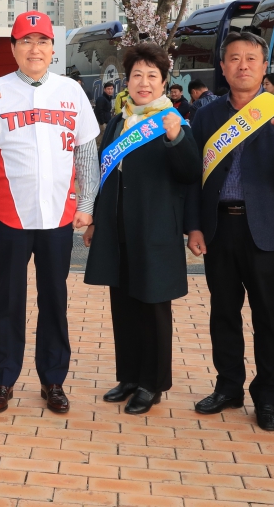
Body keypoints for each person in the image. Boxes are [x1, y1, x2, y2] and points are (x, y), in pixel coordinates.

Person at [0, 11, 100, 414]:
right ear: (13, 48)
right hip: (10, 215)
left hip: (59, 218)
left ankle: (53, 380)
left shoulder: (71, 91)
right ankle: (2, 381)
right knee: (8, 300)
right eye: (25, 41)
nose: (34, 48)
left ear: (52, 48)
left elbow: (86, 153)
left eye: (42, 41)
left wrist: (87, 206)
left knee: (54, 299)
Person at [185, 32, 274, 431]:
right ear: (222, 67)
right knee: (223, 313)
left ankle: (267, 397)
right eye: (234, 58)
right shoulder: (205, 114)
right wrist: (194, 226)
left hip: (266, 232)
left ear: (263, 66)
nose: (242, 65)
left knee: (266, 317)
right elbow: (194, 179)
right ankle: (228, 387)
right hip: (220, 227)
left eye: (251, 59)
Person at [83, 43, 199, 415]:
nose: (143, 83)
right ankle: (129, 376)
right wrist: (98, 221)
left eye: (152, 76)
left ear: (165, 82)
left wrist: (175, 139)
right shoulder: (119, 119)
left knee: (152, 307)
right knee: (123, 305)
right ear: (127, 82)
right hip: (118, 227)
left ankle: (153, 383)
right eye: (137, 76)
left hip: (154, 230)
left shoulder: (172, 121)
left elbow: (190, 173)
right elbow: (107, 174)